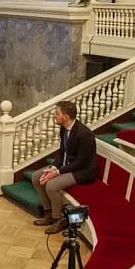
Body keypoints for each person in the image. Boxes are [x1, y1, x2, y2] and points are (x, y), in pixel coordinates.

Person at [31, 100, 98, 234]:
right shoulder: (64, 128)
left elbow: (81, 163)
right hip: (67, 165)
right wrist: (54, 167)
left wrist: (58, 172)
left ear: (66, 117)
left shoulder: (84, 134)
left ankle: (58, 219)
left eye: (57, 114)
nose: (54, 116)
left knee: (52, 185)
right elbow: (61, 152)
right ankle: (48, 212)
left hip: (83, 171)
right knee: (36, 177)